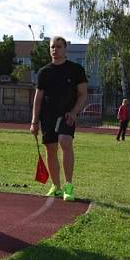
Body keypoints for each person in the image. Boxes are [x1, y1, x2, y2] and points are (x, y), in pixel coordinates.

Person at [30, 36, 88, 202]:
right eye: (52, 47)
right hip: (47, 116)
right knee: (50, 149)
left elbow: (83, 94)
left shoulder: (76, 69)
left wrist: (74, 112)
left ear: (65, 49)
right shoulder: (44, 72)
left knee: (65, 142)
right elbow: (38, 98)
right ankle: (56, 186)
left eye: (59, 47)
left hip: (67, 115)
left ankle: (68, 186)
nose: (55, 50)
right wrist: (34, 122)